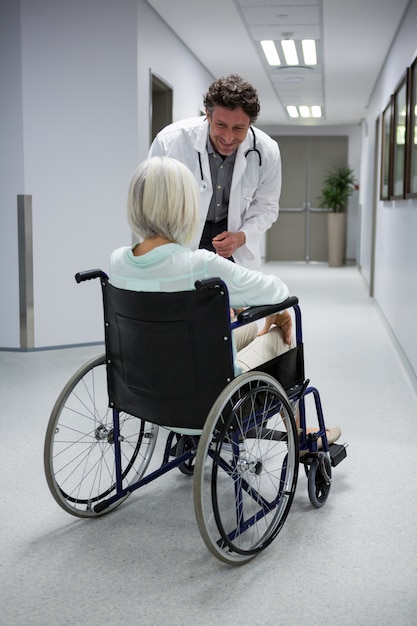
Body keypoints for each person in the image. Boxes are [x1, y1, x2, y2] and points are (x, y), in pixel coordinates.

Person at [109, 156, 342, 448]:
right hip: (209, 403)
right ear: (185, 207)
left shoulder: (117, 262)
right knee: (281, 331)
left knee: (246, 325)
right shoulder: (201, 265)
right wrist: (279, 310)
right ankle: (297, 432)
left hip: (142, 393)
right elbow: (278, 291)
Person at [148, 74, 281, 270]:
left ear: (250, 124)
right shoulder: (170, 141)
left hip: (231, 236)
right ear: (208, 115)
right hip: (180, 234)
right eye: (221, 125)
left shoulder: (266, 151)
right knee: (182, 296)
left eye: (238, 128)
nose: (228, 137)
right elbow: (151, 200)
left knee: (230, 298)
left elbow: (267, 207)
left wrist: (241, 237)